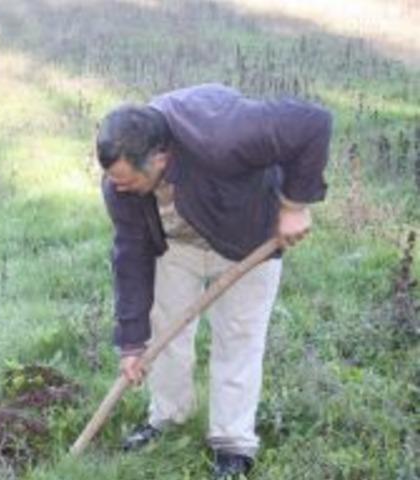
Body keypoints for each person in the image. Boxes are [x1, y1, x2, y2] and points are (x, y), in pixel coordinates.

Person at [96, 84, 331, 478]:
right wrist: (132, 343)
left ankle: (233, 442)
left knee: (238, 337)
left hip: (246, 236)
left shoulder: (223, 135)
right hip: (178, 243)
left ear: (160, 158)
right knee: (163, 330)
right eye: (112, 179)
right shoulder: (119, 183)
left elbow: (313, 123)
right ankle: (168, 417)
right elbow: (131, 255)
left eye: (125, 180)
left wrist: (294, 206)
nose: (117, 188)